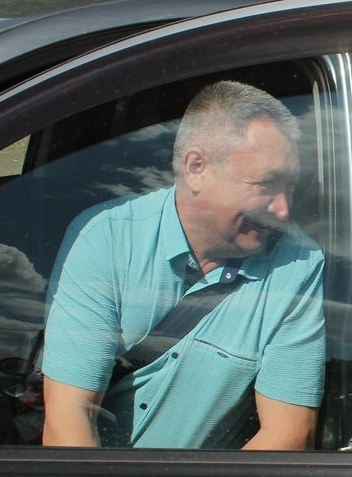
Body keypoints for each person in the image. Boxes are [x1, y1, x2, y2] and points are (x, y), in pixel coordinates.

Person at [41, 80, 326, 450]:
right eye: (266, 185)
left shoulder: (298, 263)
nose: (284, 209)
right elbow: (69, 418)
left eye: (291, 187)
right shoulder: (106, 238)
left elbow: (289, 434)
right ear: (196, 168)